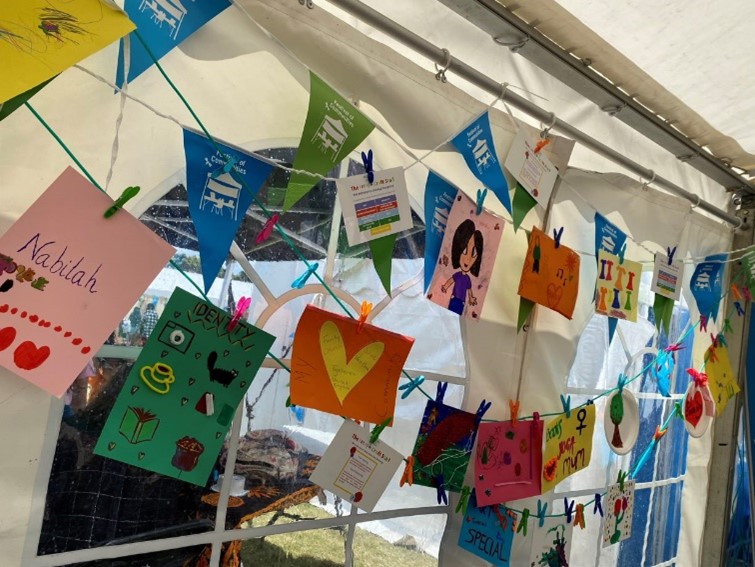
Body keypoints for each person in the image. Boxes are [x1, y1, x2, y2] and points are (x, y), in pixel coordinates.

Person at [440, 218, 483, 315]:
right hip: (454, 298)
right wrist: (445, 287)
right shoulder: (458, 275)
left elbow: (469, 289)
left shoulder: (468, 279)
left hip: (462, 302)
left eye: (473, 254)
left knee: (456, 315)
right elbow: (451, 280)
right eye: (464, 251)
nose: (467, 260)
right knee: (448, 313)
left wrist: (471, 297)